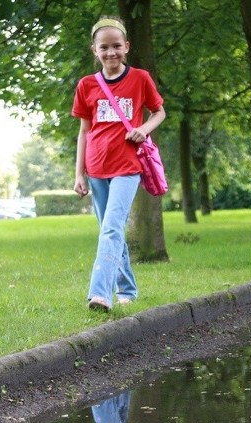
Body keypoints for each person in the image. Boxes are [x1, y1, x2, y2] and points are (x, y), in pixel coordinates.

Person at [72, 16, 166, 311]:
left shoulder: (140, 78)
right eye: (104, 47)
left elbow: (159, 112)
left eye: (116, 46)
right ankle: (127, 289)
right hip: (96, 166)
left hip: (128, 166)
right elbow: (84, 131)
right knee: (109, 230)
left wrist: (144, 129)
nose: (111, 52)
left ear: (126, 46)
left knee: (112, 227)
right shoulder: (86, 85)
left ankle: (99, 294)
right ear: (94, 50)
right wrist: (79, 174)